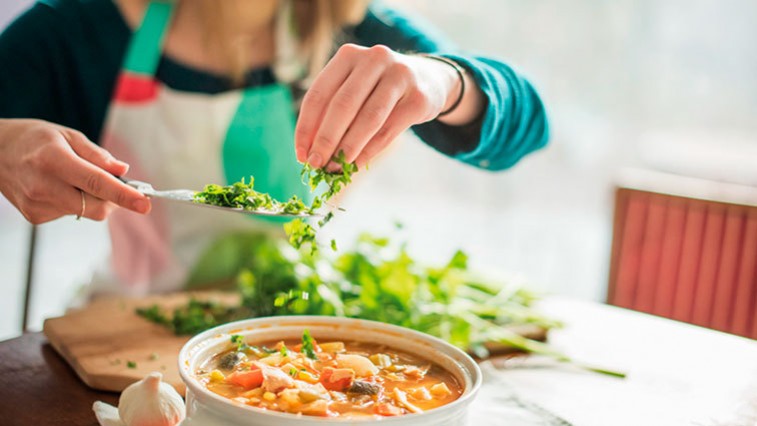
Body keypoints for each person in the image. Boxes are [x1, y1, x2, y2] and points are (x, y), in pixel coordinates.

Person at [0, 0, 549, 295]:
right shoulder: (75, 30)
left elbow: (529, 122)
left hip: (293, 333)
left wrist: (446, 82)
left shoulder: (355, 24)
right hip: (130, 327)